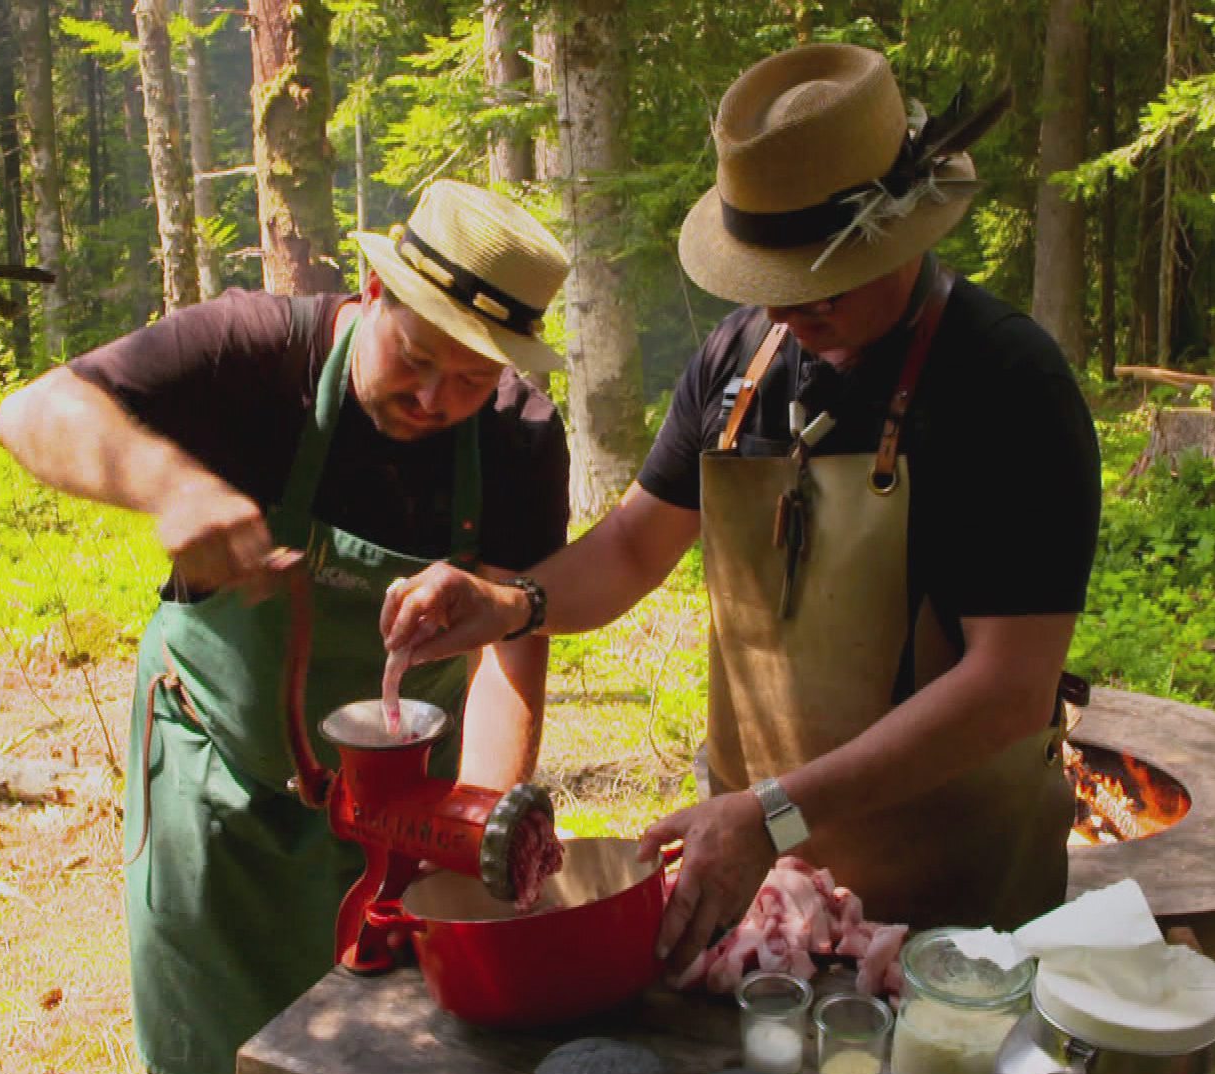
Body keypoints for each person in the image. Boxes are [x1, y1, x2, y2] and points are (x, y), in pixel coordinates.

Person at [380, 44, 1101, 976]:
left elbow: (1009, 687)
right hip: (766, 898)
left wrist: (775, 812)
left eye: (819, 275)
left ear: (906, 233)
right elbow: (637, 547)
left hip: (956, 915)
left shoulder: (1006, 386)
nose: (792, 305)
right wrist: (512, 602)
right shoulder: (738, 362)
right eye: (771, 275)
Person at [0, 180, 573, 1074]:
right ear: (374, 294)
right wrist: (168, 483)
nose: (431, 396)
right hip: (216, 781)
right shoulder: (255, 351)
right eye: (415, 357)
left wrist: (467, 834)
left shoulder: (521, 439)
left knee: (396, 1052)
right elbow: (28, 415)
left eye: (469, 379)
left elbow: (509, 654)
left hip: (407, 807)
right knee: (216, 1056)